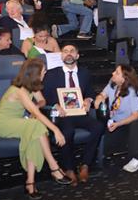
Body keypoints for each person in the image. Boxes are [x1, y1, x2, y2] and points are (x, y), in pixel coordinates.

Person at [0, 58, 71, 199]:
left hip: (17, 122)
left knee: (34, 136)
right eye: (43, 71)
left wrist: (36, 105)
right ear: (35, 73)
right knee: (36, 125)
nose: (45, 73)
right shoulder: (18, 90)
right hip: (1, 123)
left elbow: (42, 101)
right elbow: (35, 115)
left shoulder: (32, 86)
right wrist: (56, 130)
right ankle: (54, 166)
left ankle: (30, 183)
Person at [41, 44, 102, 184]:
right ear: (61, 55)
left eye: (72, 51)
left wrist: (88, 100)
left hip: (80, 113)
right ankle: (69, 168)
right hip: (62, 115)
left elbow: (90, 92)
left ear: (77, 56)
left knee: (98, 126)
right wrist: (55, 105)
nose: (69, 54)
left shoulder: (84, 73)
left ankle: (85, 164)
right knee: (67, 132)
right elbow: (45, 95)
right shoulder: (51, 74)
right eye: (65, 51)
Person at [94, 64, 138, 172]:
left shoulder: (133, 92)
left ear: (124, 79)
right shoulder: (112, 84)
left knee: (136, 124)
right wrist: (99, 98)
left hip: (128, 122)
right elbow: (103, 94)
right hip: (114, 121)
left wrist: (118, 124)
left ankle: (136, 159)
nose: (113, 73)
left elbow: (135, 115)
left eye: (117, 73)